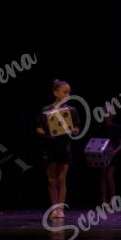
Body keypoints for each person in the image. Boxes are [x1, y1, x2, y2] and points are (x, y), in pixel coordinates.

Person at [35, 79, 79, 218]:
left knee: (62, 179)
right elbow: (38, 128)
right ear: (55, 93)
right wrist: (48, 134)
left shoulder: (71, 110)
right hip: (50, 148)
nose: (68, 95)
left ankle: (61, 209)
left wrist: (73, 131)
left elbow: (76, 128)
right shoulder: (46, 110)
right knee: (51, 180)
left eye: (69, 92)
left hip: (64, 148)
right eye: (65, 92)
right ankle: (54, 208)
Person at [93, 112, 121, 204]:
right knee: (103, 176)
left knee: (109, 176)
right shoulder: (100, 128)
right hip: (102, 155)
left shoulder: (117, 128)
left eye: (108, 114)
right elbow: (96, 142)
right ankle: (104, 199)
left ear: (112, 115)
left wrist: (114, 152)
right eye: (104, 113)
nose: (106, 116)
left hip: (112, 154)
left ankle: (113, 199)